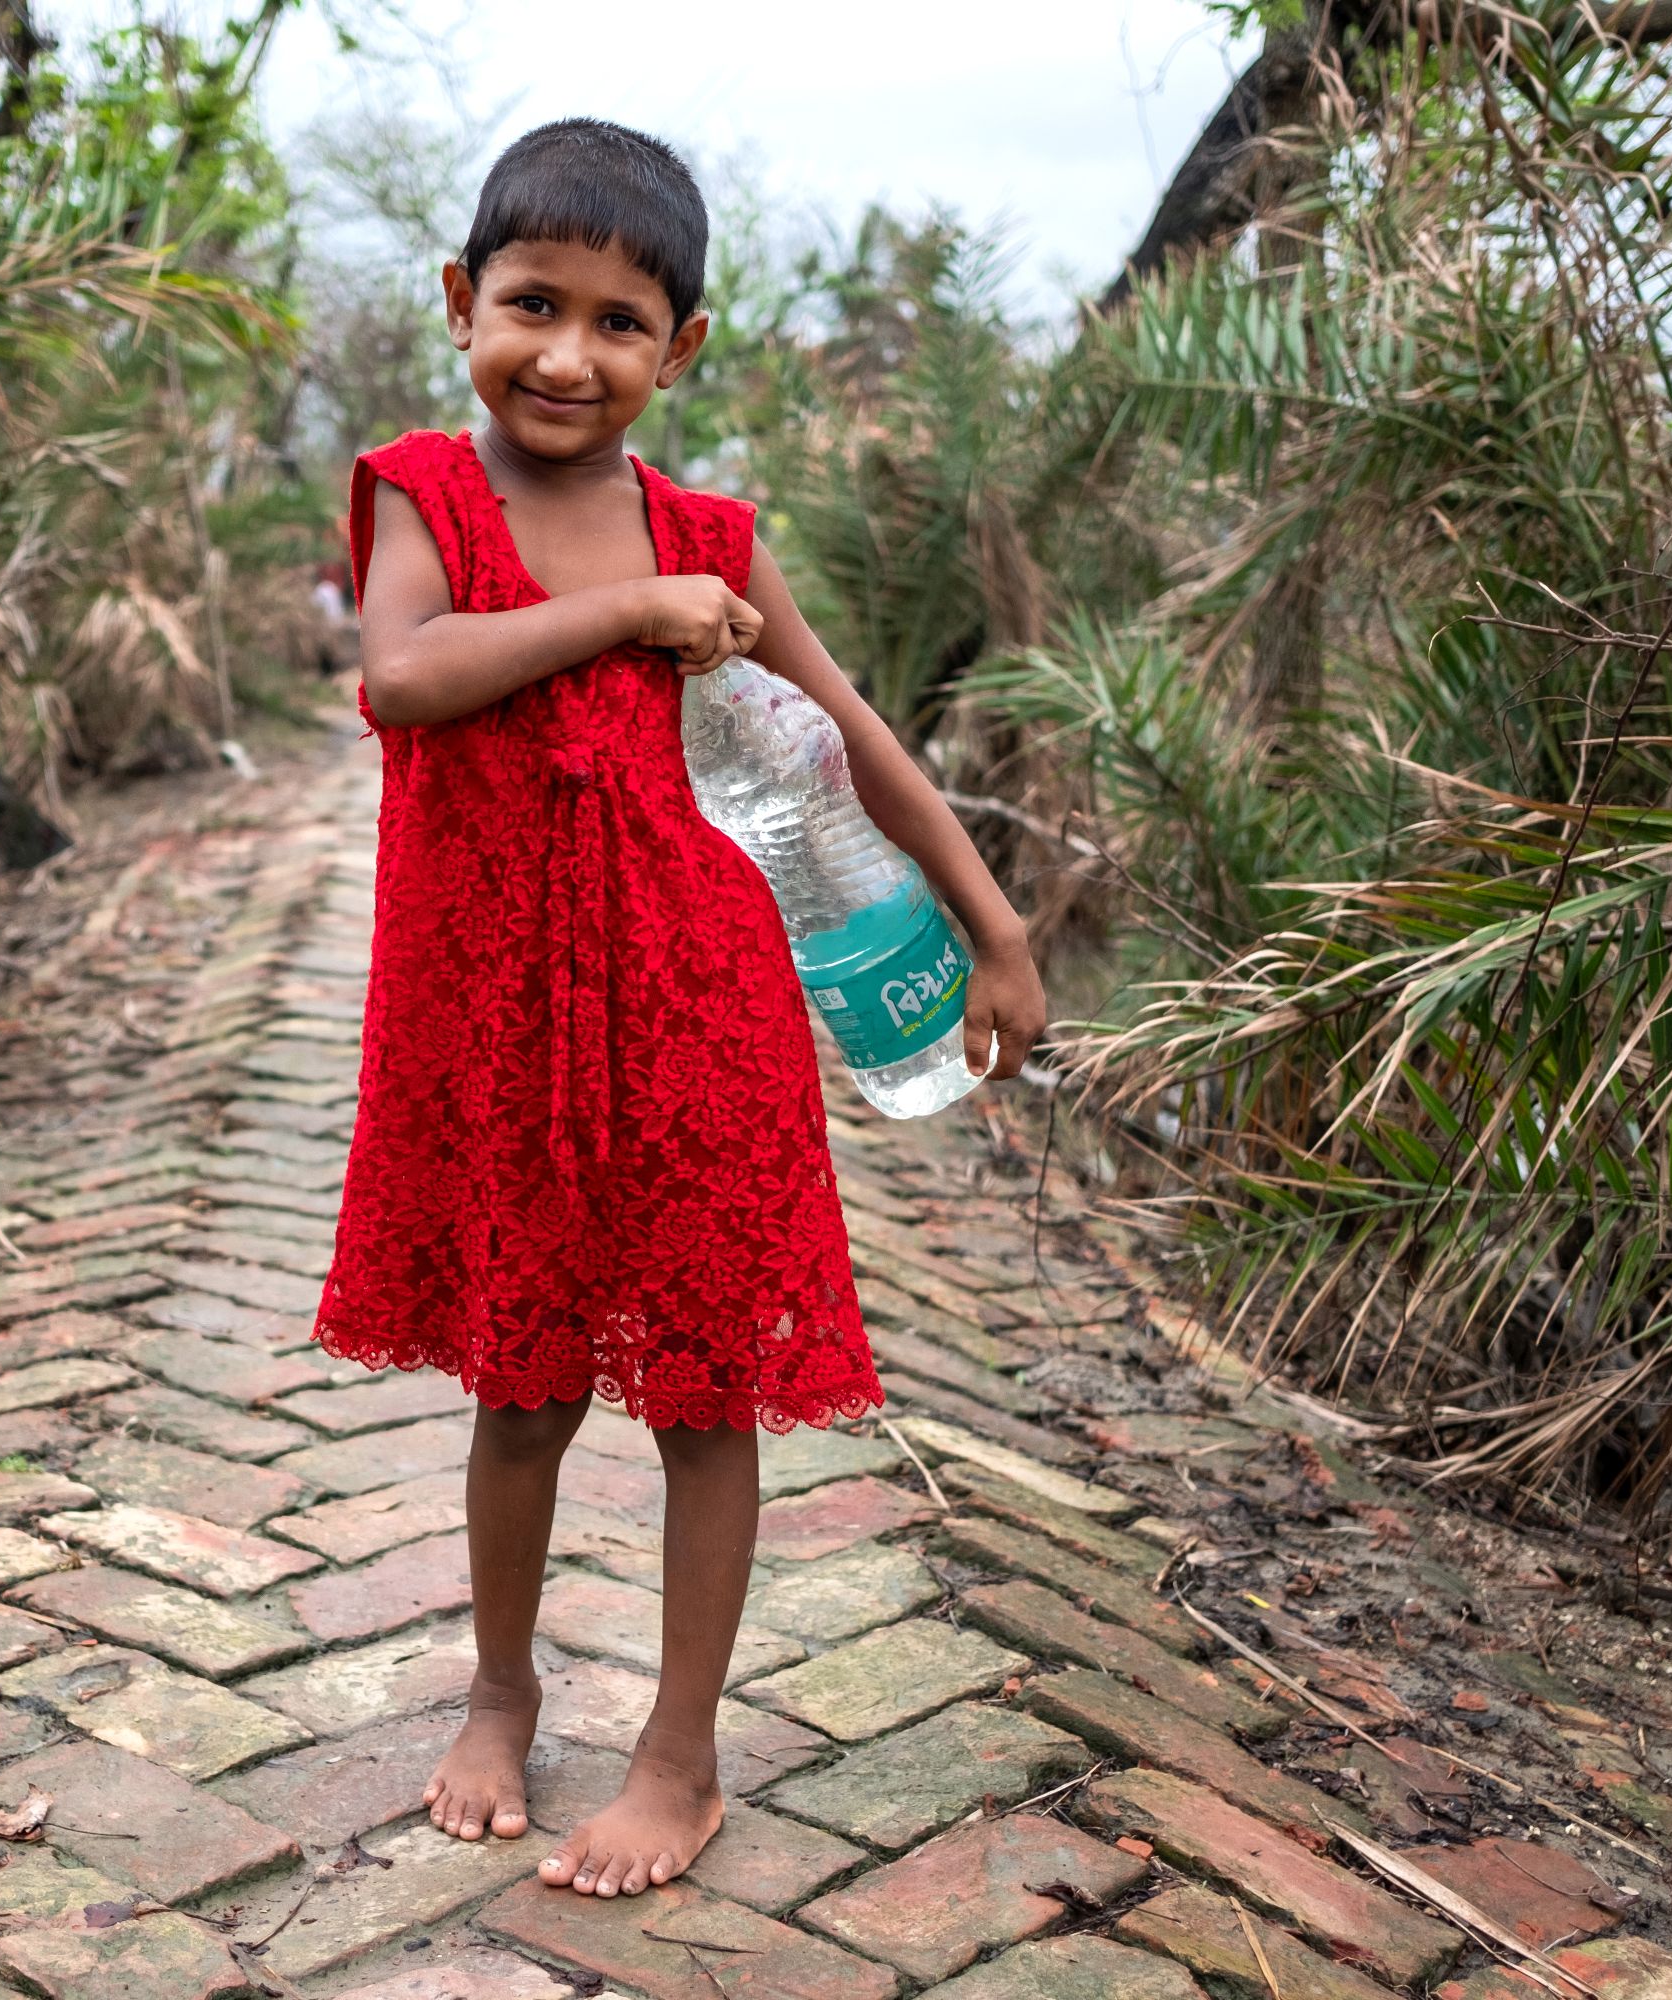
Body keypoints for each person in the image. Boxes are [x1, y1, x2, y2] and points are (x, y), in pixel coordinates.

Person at [312, 117, 1049, 1901]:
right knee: (520, 1382)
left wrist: (995, 926)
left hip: (707, 1006)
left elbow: (850, 733)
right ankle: (499, 1690)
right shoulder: (427, 489)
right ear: (459, 304)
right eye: (531, 305)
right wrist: (634, 613)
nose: (568, 356)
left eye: (621, 322)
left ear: (680, 348)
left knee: (709, 1384)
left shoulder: (708, 533)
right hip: (494, 1017)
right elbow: (402, 679)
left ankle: (682, 1751)